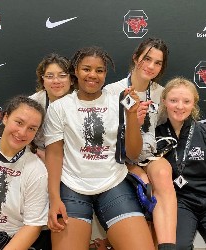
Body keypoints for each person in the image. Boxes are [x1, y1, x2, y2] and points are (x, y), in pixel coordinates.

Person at [44, 46, 155, 250]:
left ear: (105, 73)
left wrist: (132, 117)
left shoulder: (120, 102)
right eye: (86, 69)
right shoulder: (60, 107)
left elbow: (132, 153)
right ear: (75, 71)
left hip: (114, 184)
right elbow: (54, 154)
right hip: (72, 187)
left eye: (100, 70)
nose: (93, 75)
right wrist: (54, 198)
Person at [104, 37, 177, 249]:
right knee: (143, 181)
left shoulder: (161, 93)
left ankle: (167, 245)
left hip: (148, 154)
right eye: (147, 59)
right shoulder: (111, 91)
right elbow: (107, 139)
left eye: (158, 62)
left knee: (163, 173)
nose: (151, 66)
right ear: (136, 58)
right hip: (121, 157)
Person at [0, 96, 49, 250]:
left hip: (11, 244)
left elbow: (33, 226)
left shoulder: (36, 169)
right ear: (5, 118)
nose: (22, 132)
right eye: (19, 123)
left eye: (31, 128)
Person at [156, 77, 206, 250]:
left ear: (194, 103)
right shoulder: (156, 136)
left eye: (186, 101)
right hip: (181, 204)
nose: (179, 106)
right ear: (164, 101)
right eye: (173, 100)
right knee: (177, 247)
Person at [30, 52, 74, 161]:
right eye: (49, 76)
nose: (56, 81)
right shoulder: (32, 103)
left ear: (72, 79)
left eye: (62, 75)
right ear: (43, 80)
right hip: (39, 157)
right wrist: (36, 152)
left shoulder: (83, 101)